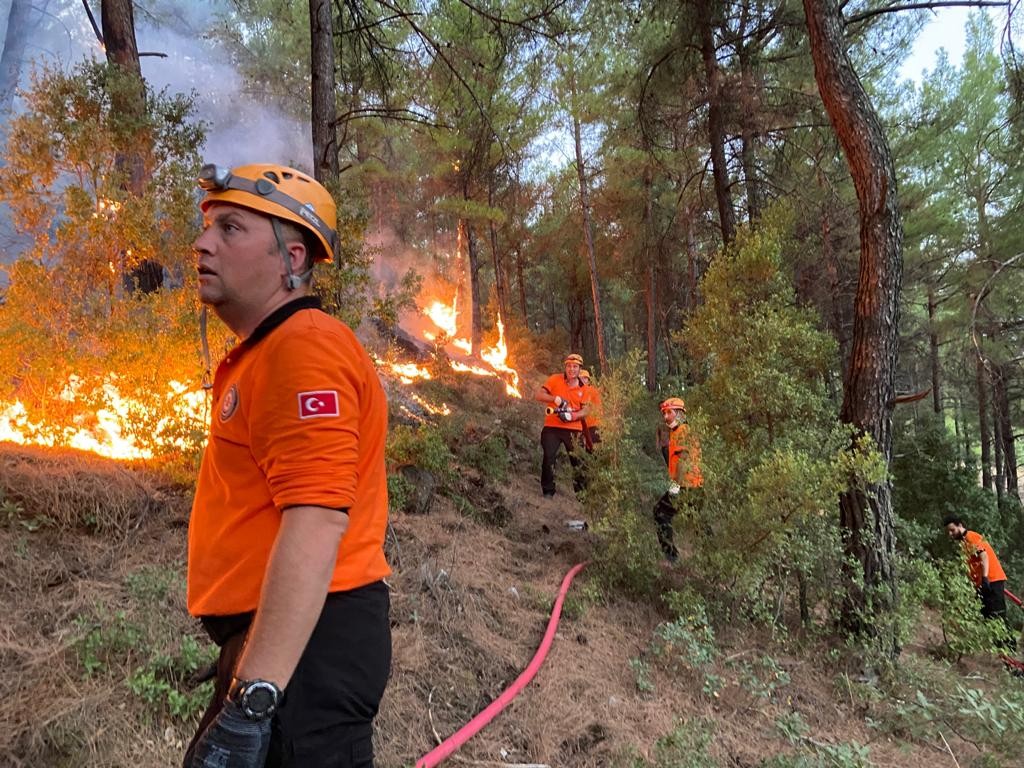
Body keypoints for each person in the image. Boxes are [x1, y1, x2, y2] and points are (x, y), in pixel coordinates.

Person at [184, 163, 391, 768]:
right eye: (206, 227)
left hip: (306, 651)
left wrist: (253, 702)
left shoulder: (303, 347)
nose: (203, 243)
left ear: (291, 258)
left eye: (231, 228)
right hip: (285, 645)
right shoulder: (270, 350)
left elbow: (317, 518)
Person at [652, 397, 703, 564]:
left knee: (660, 512)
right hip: (694, 485)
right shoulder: (678, 432)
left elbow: (683, 459)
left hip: (687, 485)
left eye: (669, 412)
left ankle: (671, 557)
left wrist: (676, 486)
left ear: (680, 413)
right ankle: (713, 558)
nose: (666, 416)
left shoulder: (683, 431)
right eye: (664, 413)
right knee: (699, 523)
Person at [534, 353, 590, 497]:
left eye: (575, 366)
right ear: (565, 367)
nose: (571, 369)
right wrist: (555, 399)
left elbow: (587, 409)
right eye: (569, 366)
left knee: (578, 461)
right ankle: (548, 491)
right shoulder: (554, 379)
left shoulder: (584, 388)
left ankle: (582, 494)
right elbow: (539, 395)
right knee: (549, 456)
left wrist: (573, 416)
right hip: (552, 426)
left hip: (574, 428)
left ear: (579, 369)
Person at [943, 515, 1011, 625]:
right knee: (987, 616)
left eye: (952, 530)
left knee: (998, 616)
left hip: (992, 580)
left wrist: (985, 578)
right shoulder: (963, 543)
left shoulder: (972, 537)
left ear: (960, 525)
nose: (951, 534)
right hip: (982, 583)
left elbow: (984, 556)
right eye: (949, 532)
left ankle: (1008, 642)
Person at [579, 369, 602, 449]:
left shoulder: (590, 390)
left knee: (592, 451)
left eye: (585, 378)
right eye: (581, 378)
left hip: (593, 425)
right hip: (588, 426)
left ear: (588, 380)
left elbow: (584, 405)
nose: (582, 380)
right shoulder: (582, 391)